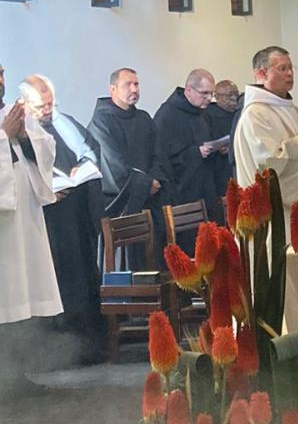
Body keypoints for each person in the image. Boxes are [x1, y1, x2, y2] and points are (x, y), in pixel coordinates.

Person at [233, 46, 298, 332]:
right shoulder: (255, 115)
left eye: (291, 68)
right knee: (283, 284)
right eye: (282, 68)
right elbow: (268, 165)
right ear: (261, 73)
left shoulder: (288, 107)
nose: (290, 74)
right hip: (275, 217)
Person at [20, 75, 104, 361]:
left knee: (85, 272)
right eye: (41, 106)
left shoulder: (64, 122)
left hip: (78, 210)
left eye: (50, 104)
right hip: (51, 218)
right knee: (64, 280)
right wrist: (48, 189)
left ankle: (94, 343)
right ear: (26, 104)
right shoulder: (21, 131)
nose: (47, 111)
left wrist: (85, 168)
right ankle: (69, 349)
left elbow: (89, 150)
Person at [0, 61, 63, 328]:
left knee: (26, 286)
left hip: (24, 215)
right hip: (5, 222)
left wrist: (24, 136)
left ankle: (24, 352)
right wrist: (4, 135)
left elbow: (46, 146)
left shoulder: (14, 112)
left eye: (1, 73)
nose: (1, 80)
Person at [88, 67, 170, 222]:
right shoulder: (101, 123)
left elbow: (157, 154)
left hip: (152, 198)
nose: (134, 89)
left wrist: (156, 180)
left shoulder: (144, 118)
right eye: (128, 85)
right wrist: (146, 184)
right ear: (113, 89)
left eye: (137, 84)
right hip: (121, 206)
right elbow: (113, 166)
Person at [154, 69, 224, 221]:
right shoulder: (167, 115)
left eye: (212, 94)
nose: (209, 98)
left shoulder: (203, 112)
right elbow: (162, 158)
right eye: (204, 93)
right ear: (189, 90)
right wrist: (195, 153)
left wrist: (219, 148)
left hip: (207, 187)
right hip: (183, 192)